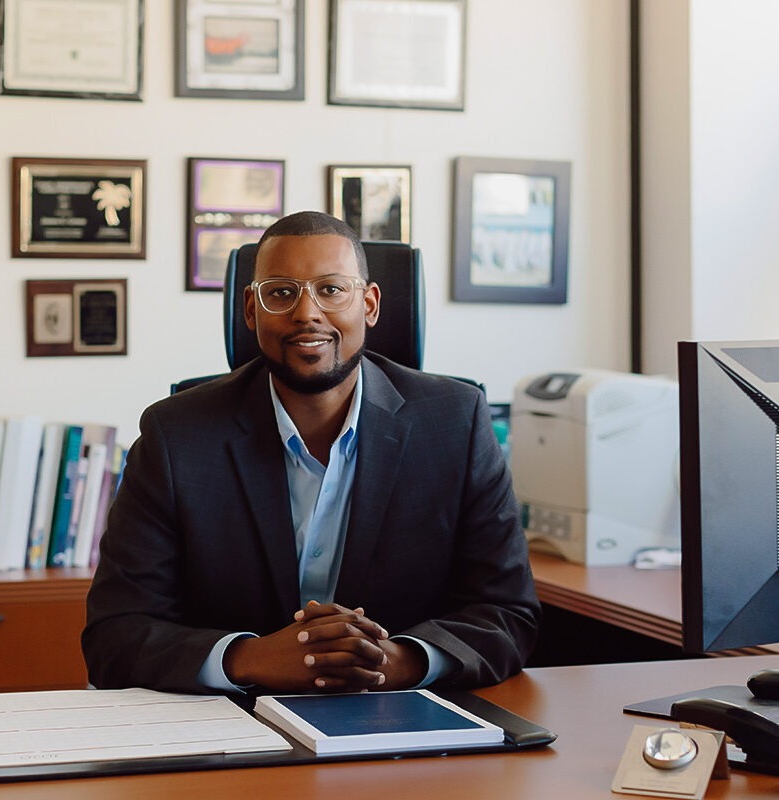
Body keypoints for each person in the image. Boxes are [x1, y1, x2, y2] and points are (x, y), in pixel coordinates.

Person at [82, 211, 540, 695]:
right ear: (251, 309)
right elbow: (116, 634)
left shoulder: (456, 423)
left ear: (370, 304)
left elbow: (507, 613)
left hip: (402, 722)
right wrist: (250, 658)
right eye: (280, 292)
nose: (307, 313)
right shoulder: (175, 436)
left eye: (331, 289)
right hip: (234, 729)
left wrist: (397, 661)